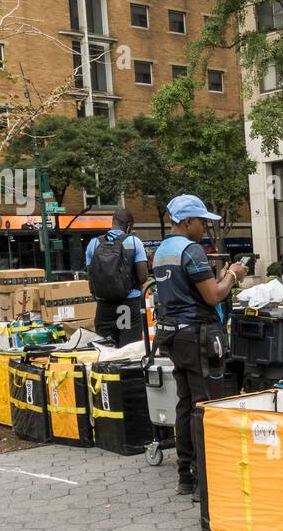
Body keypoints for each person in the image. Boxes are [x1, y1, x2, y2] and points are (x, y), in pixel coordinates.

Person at [152, 195, 249, 497]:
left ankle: (186, 476)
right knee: (205, 404)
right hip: (197, 336)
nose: (205, 227)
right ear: (187, 221)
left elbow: (189, 291)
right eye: (202, 221)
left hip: (172, 336)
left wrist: (218, 280)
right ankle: (206, 481)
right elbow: (212, 296)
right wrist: (233, 274)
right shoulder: (191, 250)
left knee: (185, 402)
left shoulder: (161, 250)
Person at [85, 208, 149, 347]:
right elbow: (143, 276)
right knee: (128, 349)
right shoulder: (134, 242)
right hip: (128, 304)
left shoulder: (93, 244)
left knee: (105, 348)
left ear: (113, 222)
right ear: (129, 225)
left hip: (104, 307)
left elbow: (90, 275)